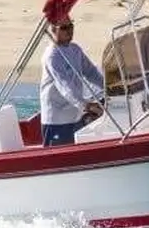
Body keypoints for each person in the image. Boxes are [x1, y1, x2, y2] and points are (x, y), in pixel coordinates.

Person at [39, 17, 105, 147]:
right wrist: (86, 105)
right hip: (57, 120)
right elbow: (65, 87)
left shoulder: (75, 49)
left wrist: (108, 87)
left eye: (71, 26)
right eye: (64, 28)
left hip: (75, 115)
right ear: (53, 30)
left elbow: (91, 72)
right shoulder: (52, 56)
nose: (69, 31)